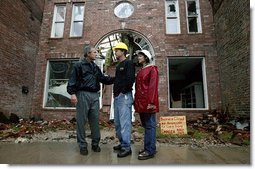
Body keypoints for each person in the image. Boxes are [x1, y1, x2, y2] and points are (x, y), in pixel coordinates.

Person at [67, 45, 115, 155]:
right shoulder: (78, 65)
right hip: (82, 94)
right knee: (81, 121)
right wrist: (73, 93)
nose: (96, 54)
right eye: (94, 52)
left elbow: (102, 78)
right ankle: (82, 145)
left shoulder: (95, 67)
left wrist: (117, 79)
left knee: (95, 120)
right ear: (88, 53)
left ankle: (95, 143)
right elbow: (72, 80)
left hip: (94, 95)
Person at [134, 50, 159, 160]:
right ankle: (148, 147)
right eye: (138, 56)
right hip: (141, 103)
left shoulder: (152, 69)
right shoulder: (140, 71)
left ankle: (150, 151)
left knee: (150, 126)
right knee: (146, 126)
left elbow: (153, 87)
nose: (138, 58)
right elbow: (138, 89)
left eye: (140, 56)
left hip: (148, 102)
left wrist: (151, 102)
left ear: (146, 57)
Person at [112, 42, 135, 158]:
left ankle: (127, 147)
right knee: (117, 123)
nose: (115, 52)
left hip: (124, 97)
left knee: (125, 123)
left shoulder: (128, 63)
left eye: (117, 50)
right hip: (117, 97)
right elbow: (117, 80)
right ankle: (122, 143)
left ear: (122, 51)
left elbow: (131, 79)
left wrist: (122, 92)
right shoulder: (118, 65)